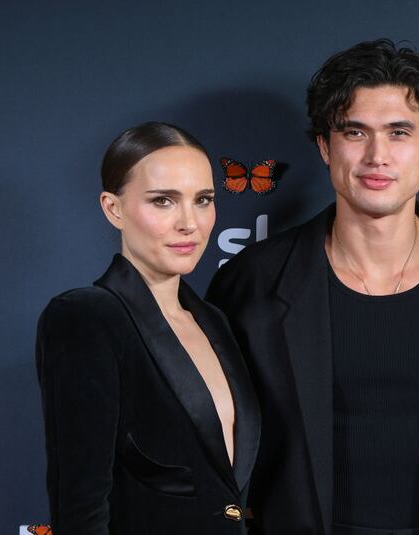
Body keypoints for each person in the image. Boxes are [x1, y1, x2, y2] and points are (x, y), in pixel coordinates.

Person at [207, 39, 419, 535]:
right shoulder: (252, 283)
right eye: (355, 132)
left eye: (399, 132)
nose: (378, 156)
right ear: (324, 146)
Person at [35, 122, 260, 534]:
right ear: (112, 208)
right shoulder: (87, 317)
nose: (189, 222)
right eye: (163, 201)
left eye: (203, 199)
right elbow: (80, 506)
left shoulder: (214, 321)